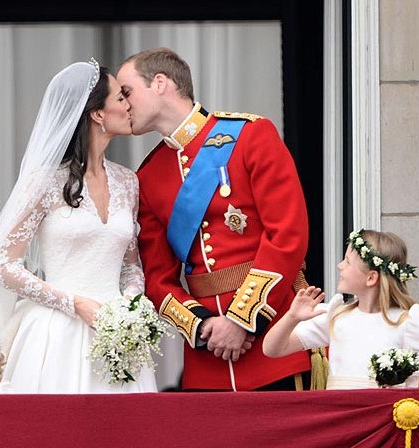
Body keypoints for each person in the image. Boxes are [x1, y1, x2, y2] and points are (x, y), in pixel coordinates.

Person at [117, 48, 311, 391]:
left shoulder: (251, 136)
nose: (123, 104)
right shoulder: (148, 175)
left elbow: (287, 237)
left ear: (160, 83)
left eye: (127, 92)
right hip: (208, 357)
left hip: (274, 341)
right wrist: (203, 326)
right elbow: (157, 278)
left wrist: (241, 320)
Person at [0, 59, 157, 393]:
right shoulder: (45, 182)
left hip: (117, 335)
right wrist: (74, 303)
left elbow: (130, 266)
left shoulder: (128, 182)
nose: (129, 105)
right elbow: (3, 264)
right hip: (56, 332)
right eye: (120, 98)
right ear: (98, 114)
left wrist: (130, 306)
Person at [263, 229, 419, 389]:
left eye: (347, 261)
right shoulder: (336, 316)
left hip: (385, 413)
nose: (340, 265)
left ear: (371, 278)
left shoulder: (407, 322)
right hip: (340, 412)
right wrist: (292, 317)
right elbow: (272, 349)